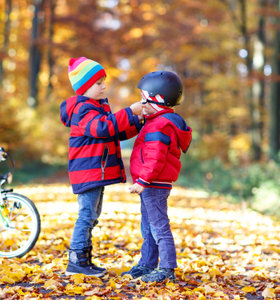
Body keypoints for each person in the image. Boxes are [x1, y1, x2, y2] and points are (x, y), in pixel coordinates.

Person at [60, 57, 146, 277]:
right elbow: (101, 128)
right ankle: (77, 260)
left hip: (93, 171)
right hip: (86, 171)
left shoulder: (95, 107)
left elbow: (114, 132)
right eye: (98, 83)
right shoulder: (82, 109)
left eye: (103, 82)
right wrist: (130, 111)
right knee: (87, 214)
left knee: (92, 215)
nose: (103, 86)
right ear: (85, 87)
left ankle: (84, 260)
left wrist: (139, 122)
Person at [123, 71, 192, 283]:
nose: (141, 103)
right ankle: (147, 263)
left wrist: (142, 181)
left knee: (158, 226)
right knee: (148, 226)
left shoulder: (160, 125)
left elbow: (155, 158)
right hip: (151, 184)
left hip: (153, 184)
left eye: (144, 99)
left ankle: (167, 268)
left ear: (158, 99)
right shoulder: (156, 121)